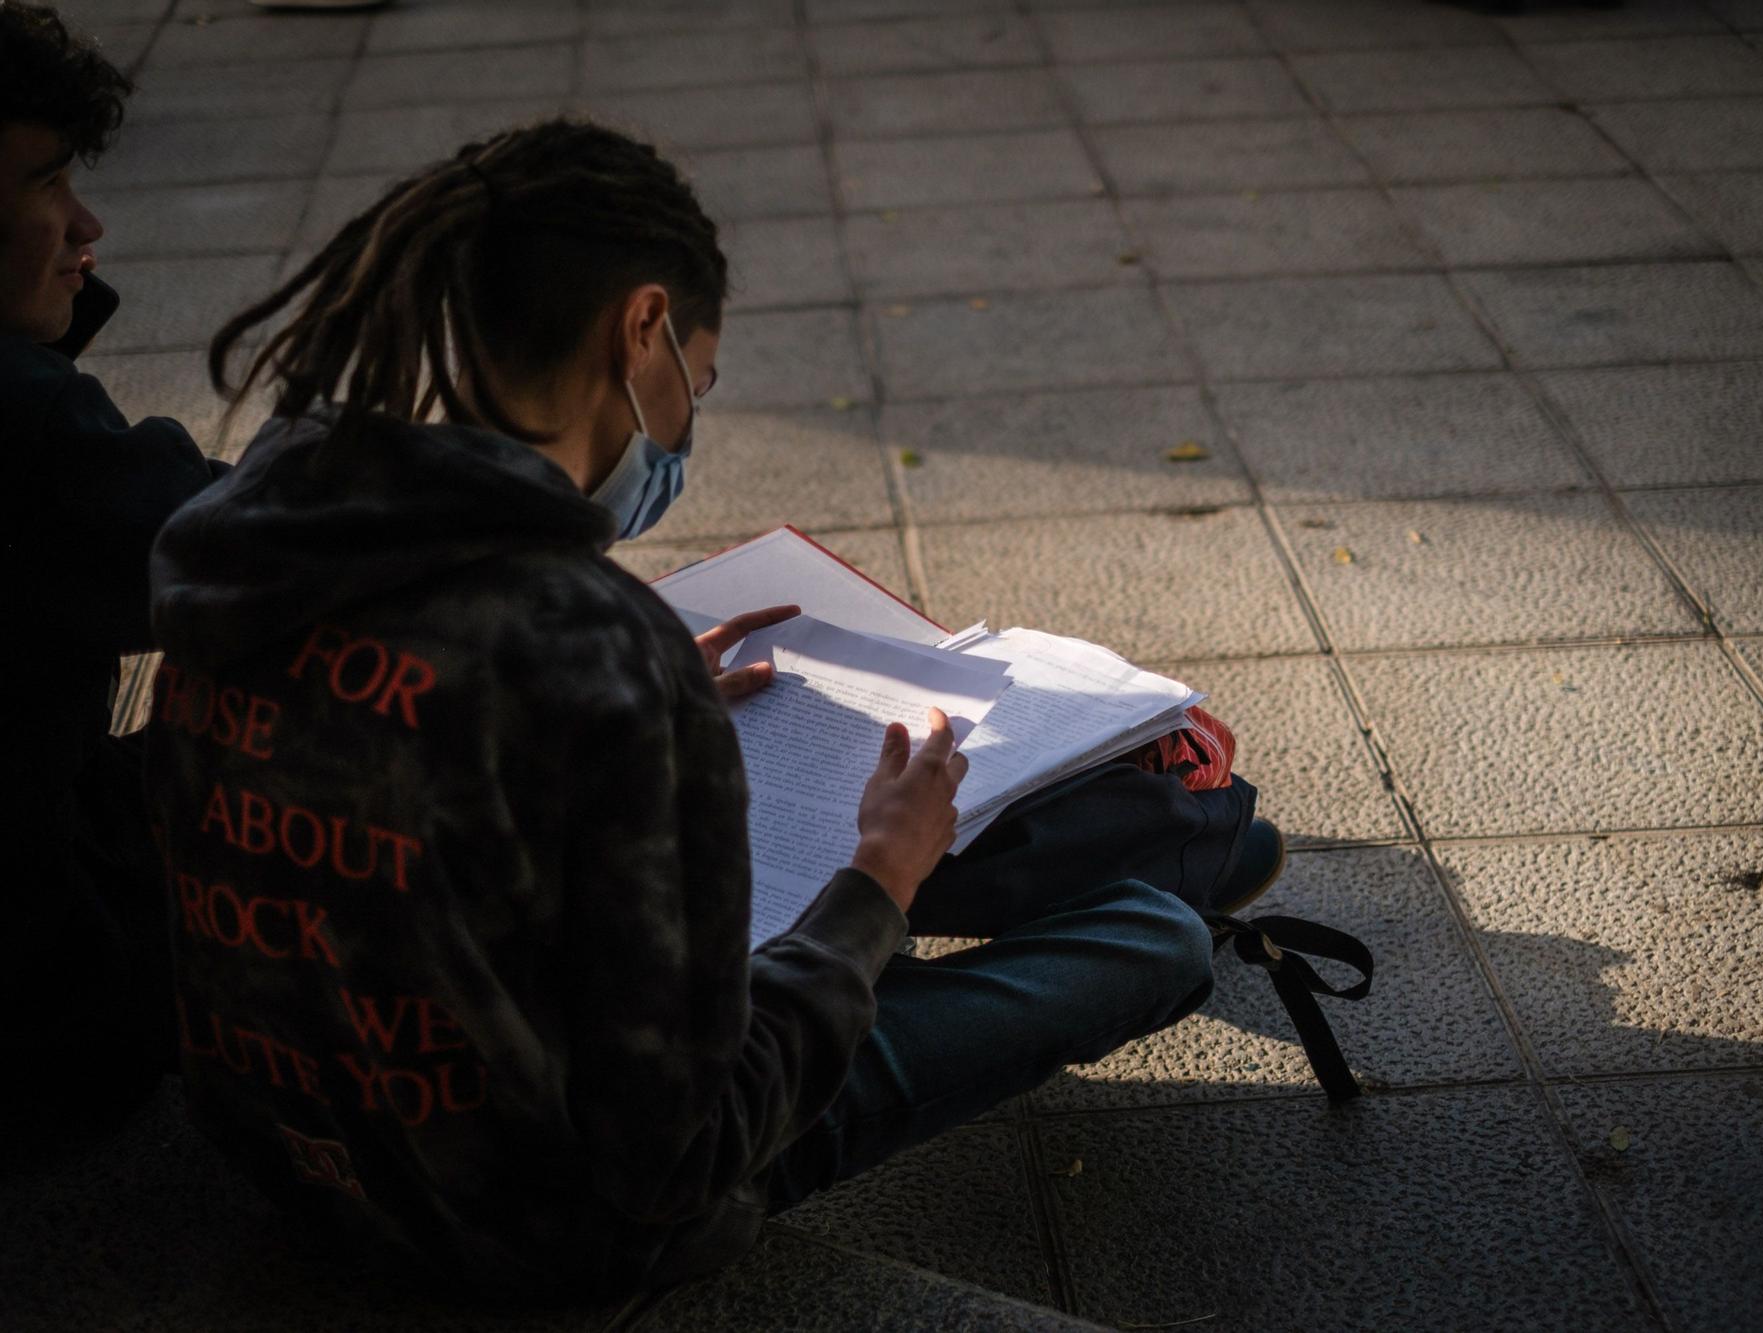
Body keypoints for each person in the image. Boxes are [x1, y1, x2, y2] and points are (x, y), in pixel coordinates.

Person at [145, 118, 1280, 1299]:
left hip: (289, 1152)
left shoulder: (248, 552)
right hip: (537, 1236)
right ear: (641, 331)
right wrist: (875, 890)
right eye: (698, 377)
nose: (687, 420)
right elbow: (677, 1151)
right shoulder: (588, 647)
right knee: (1150, 937)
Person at [0, 0, 230, 1134]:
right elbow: (253, 547)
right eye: (46, 185)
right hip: (38, 1025)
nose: (84, 223)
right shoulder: (24, 429)